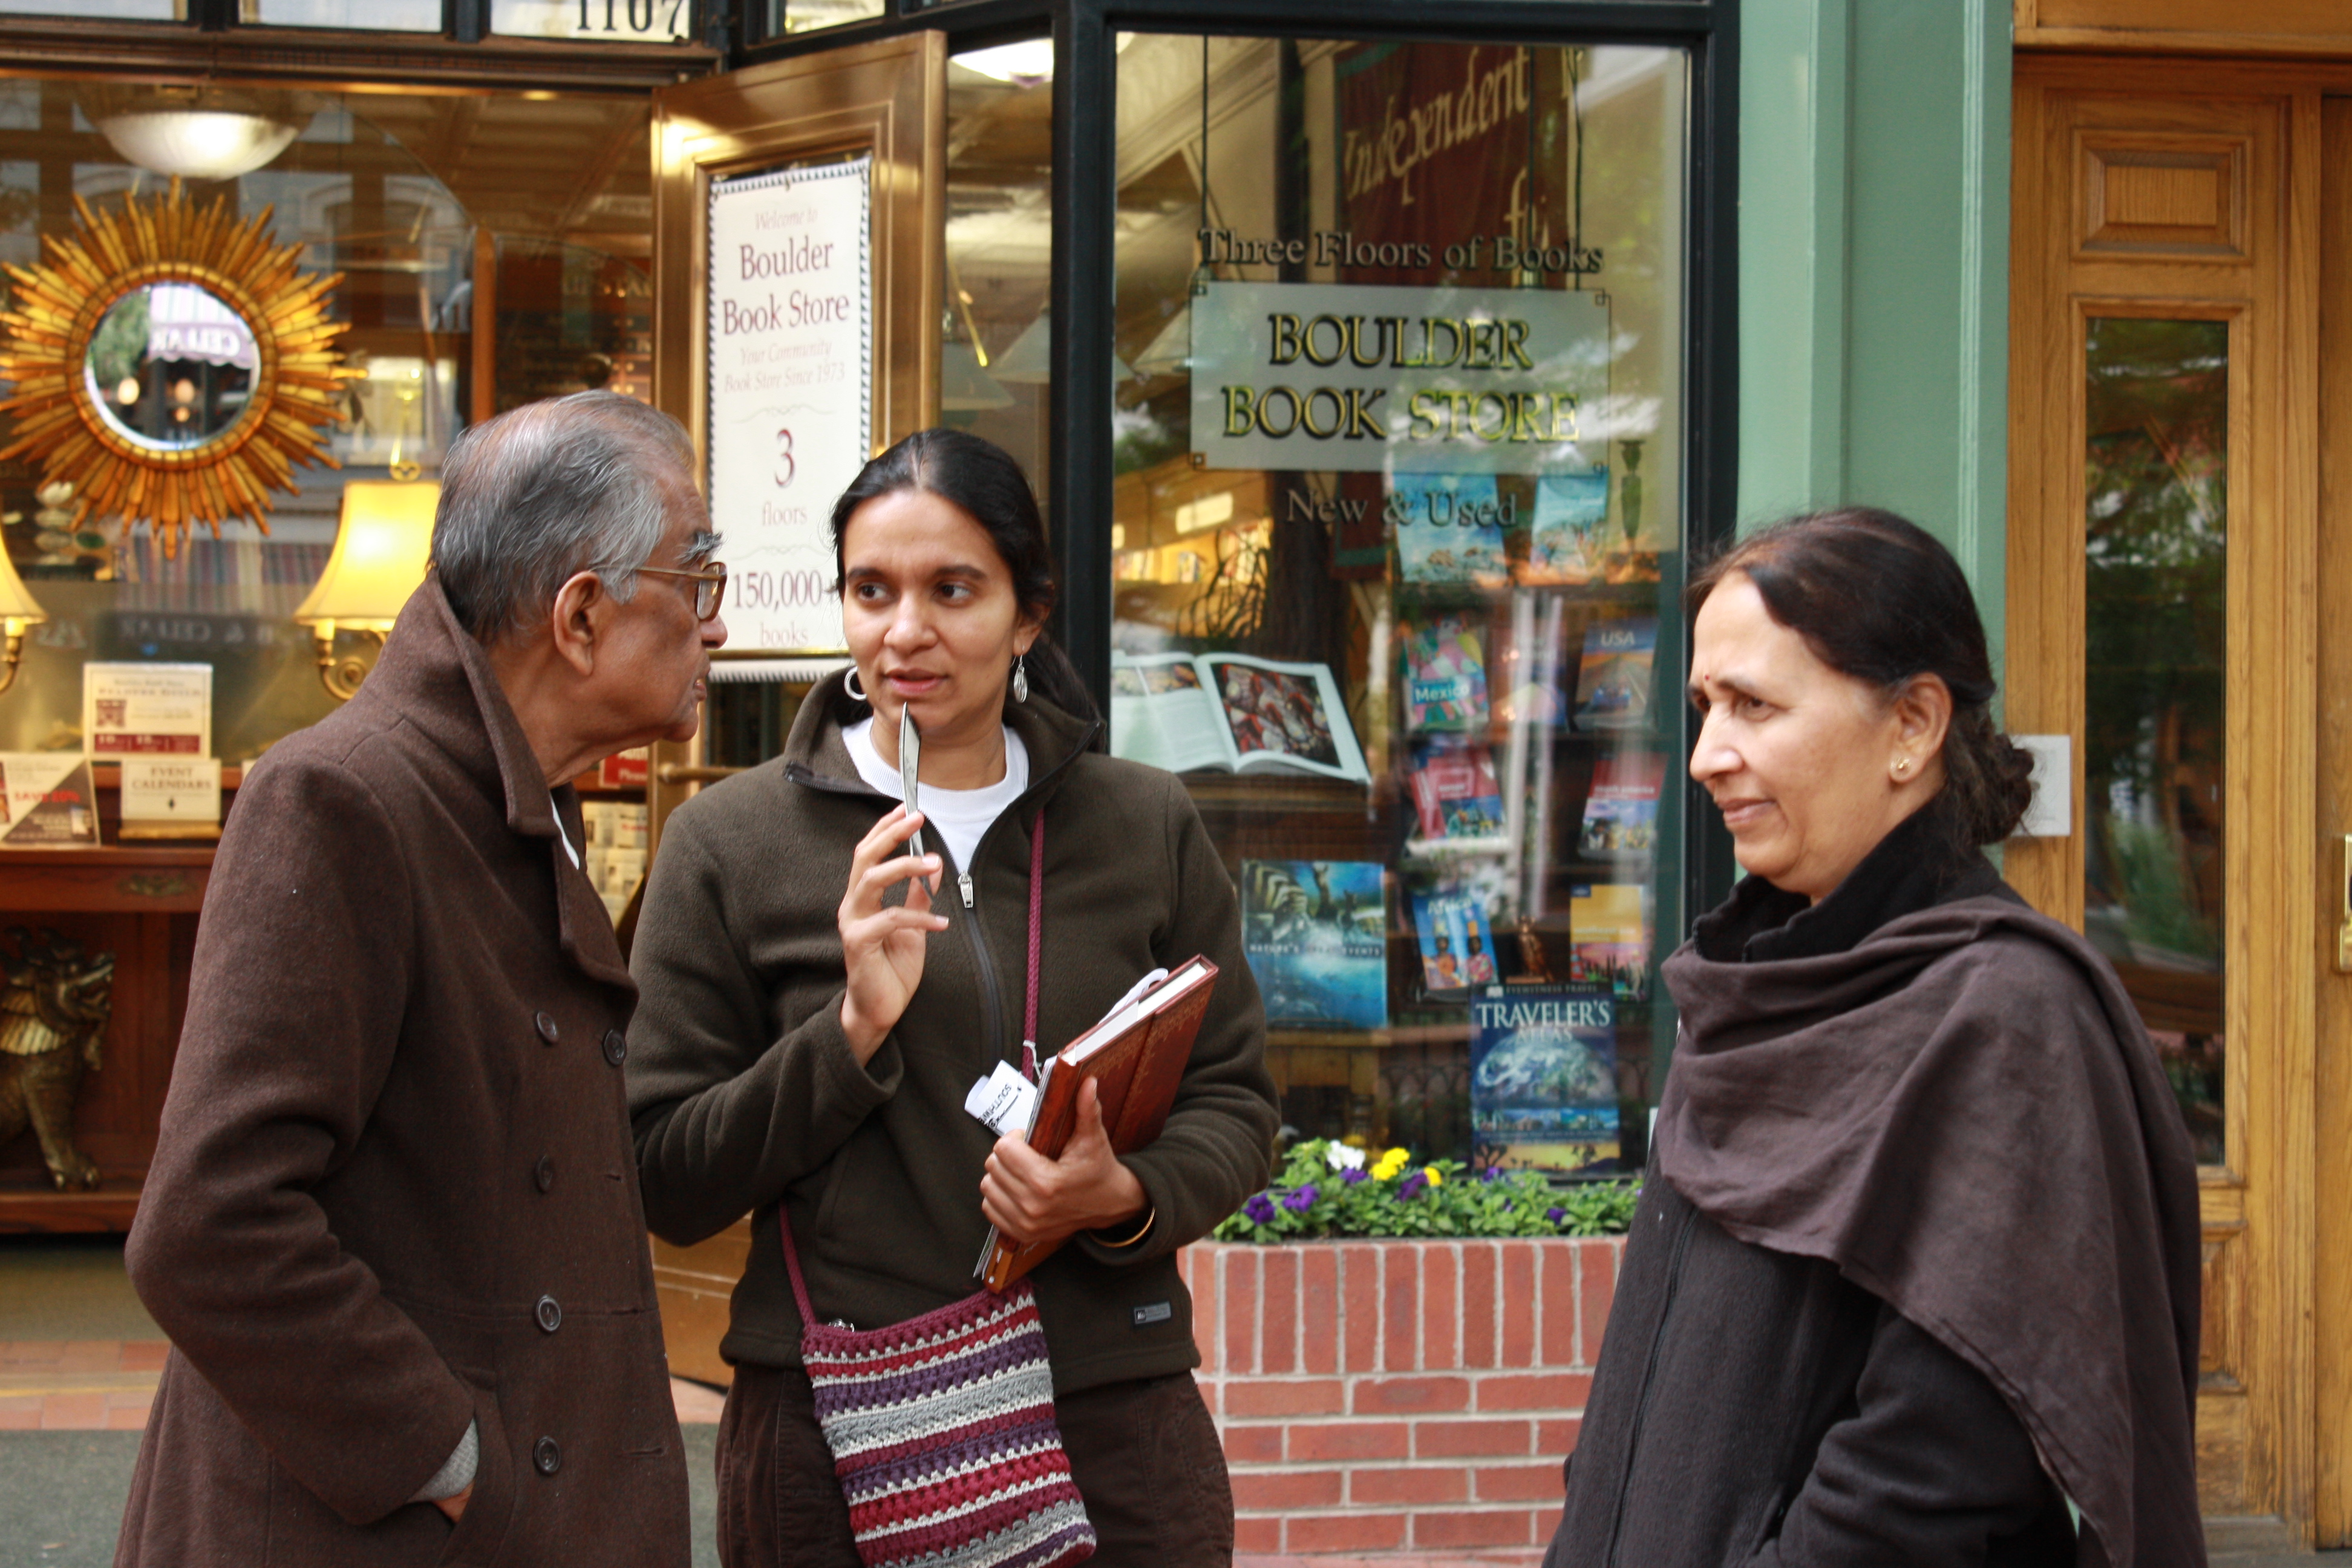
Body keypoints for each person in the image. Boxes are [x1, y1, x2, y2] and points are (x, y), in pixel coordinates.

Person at [626, 427, 1278, 1568]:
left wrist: (1117, 1194)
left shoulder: (1144, 823)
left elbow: (1237, 1105)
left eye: (953, 590)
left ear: (1029, 614)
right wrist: (849, 1034)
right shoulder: (728, 844)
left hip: (1109, 1417)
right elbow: (666, 1174)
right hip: (841, 1428)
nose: (905, 631)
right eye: (870, 591)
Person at [117, 390, 727, 1567]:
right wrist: (457, 1468)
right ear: (583, 616)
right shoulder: (342, 799)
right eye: (696, 579)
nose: (715, 627)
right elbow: (209, 1226)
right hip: (357, 1528)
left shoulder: (509, 804)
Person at [1544, 508, 2204, 1567]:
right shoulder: (1755, 983)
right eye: (1706, 706)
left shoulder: (2001, 1018)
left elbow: (1933, 1478)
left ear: (1913, 727)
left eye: (1755, 706)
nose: (1710, 755)